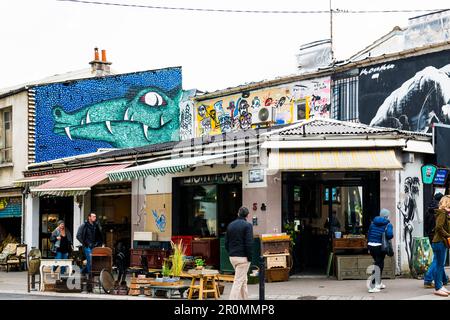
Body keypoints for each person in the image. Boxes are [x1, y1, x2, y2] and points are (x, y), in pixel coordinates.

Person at [225, 207, 253, 300]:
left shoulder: (230, 225)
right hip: (243, 258)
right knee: (238, 281)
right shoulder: (248, 225)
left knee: (243, 280)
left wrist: (231, 252)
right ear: (248, 215)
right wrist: (250, 258)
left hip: (233, 257)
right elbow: (249, 243)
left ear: (238, 213)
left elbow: (226, 243)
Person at [424, 192, 448, 288]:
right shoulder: (440, 211)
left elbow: (426, 225)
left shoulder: (428, 209)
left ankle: (444, 279)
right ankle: (428, 279)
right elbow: (439, 227)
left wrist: (429, 233)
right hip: (439, 237)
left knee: (439, 259)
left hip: (431, 236)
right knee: (438, 260)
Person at [367, 208, 394, 293]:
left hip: (371, 246)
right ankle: (373, 286)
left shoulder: (372, 223)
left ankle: (378, 283)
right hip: (380, 247)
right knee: (378, 265)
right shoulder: (388, 224)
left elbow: (369, 234)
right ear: (386, 216)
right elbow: (389, 235)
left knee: (379, 263)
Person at [431, 195, 450, 297]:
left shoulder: (444, 213)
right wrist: (448, 236)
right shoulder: (442, 213)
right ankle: (438, 287)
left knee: (440, 265)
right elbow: (438, 227)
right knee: (439, 265)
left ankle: (440, 286)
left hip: (439, 242)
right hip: (439, 242)